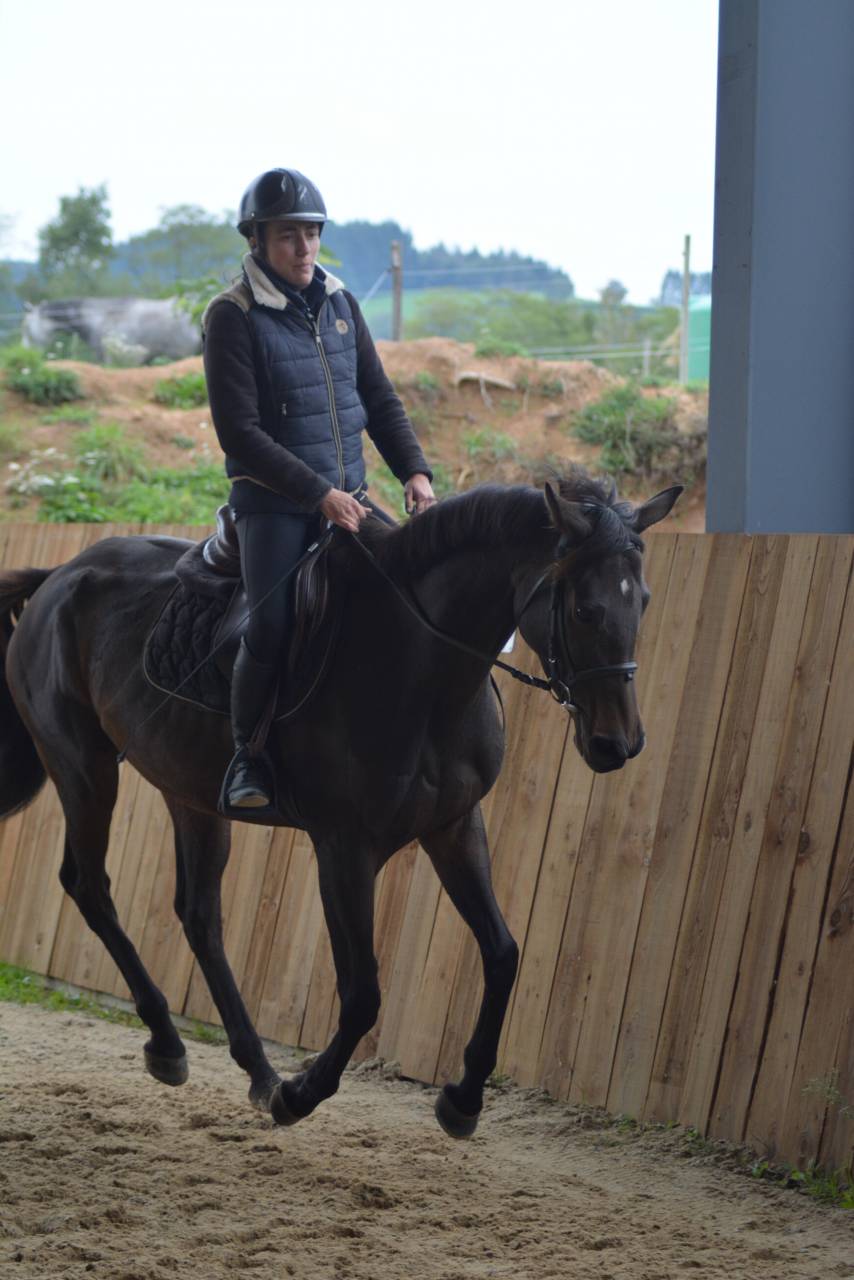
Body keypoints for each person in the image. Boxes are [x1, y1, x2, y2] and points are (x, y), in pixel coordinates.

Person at [203, 167, 435, 812]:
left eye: (311, 234)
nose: (304, 249)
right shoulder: (232, 315)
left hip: (351, 500)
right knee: (272, 624)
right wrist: (317, 495)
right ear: (257, 241)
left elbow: (378, 398)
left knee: (412, 594)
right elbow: (240, 433)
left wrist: (414, 471)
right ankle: (246, 758)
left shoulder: (340, 303)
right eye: (288, 237)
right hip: (273, 506)